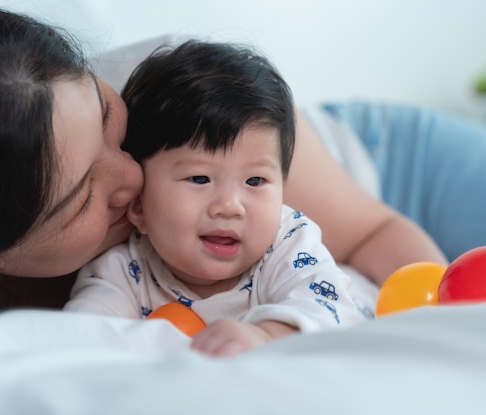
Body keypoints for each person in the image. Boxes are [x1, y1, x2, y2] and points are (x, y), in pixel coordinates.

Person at [0, 5, 486, 317]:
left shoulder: (176, 89)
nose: (131, 174)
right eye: (84, 194)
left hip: (388, 166)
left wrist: (458, 310)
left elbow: (373, 233)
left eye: (110, 119)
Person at [64, 40, 369, 356]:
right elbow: (80, 339)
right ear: (139, 205)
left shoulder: (288, 245)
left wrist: (268, 335)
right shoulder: (121, 272)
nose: (230, 206)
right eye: (200, 178)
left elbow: (329, 308)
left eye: (255, 180)